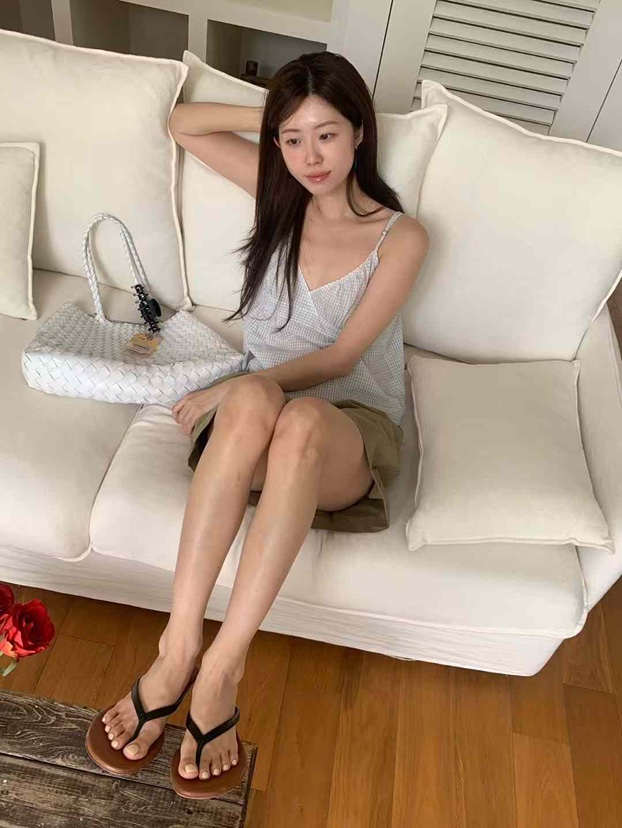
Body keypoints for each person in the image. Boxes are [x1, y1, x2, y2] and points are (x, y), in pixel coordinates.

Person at [96, 51, 429, 793]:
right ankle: (178, 649)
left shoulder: (401, 237)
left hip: (344, 434)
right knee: (256, 403)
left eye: (328, 135)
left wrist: (232, 387)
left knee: (297, 417)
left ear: (361, 133)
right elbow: (182, 124)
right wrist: (277, 116)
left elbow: (341, 355)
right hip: (253, 423)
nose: (311, 158)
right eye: (293, 139)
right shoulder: (280, 192)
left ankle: (224, 666)